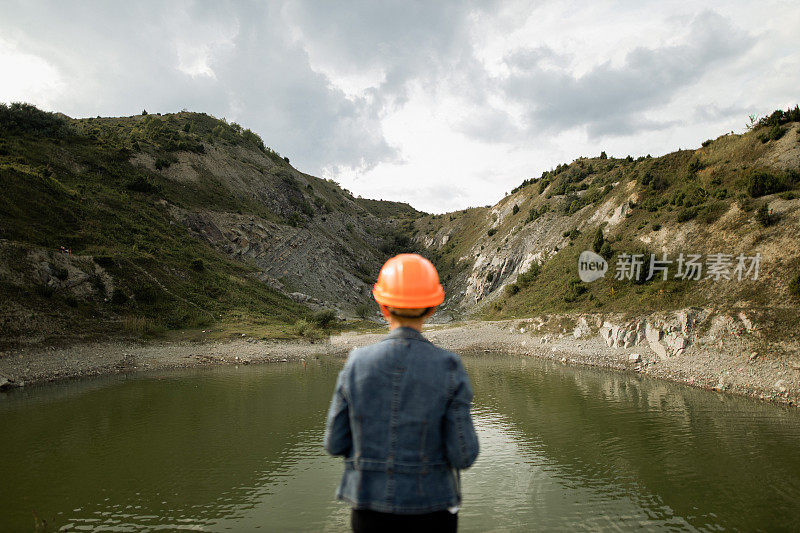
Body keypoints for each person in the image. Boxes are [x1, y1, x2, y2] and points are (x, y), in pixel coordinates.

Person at [324, 253, 480, 533]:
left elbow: (334, 444)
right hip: (433, 509)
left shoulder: (356, 362)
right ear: (432, 309)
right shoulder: (449, 366)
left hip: (368, 507)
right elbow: (464, 455)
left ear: (383, 307)